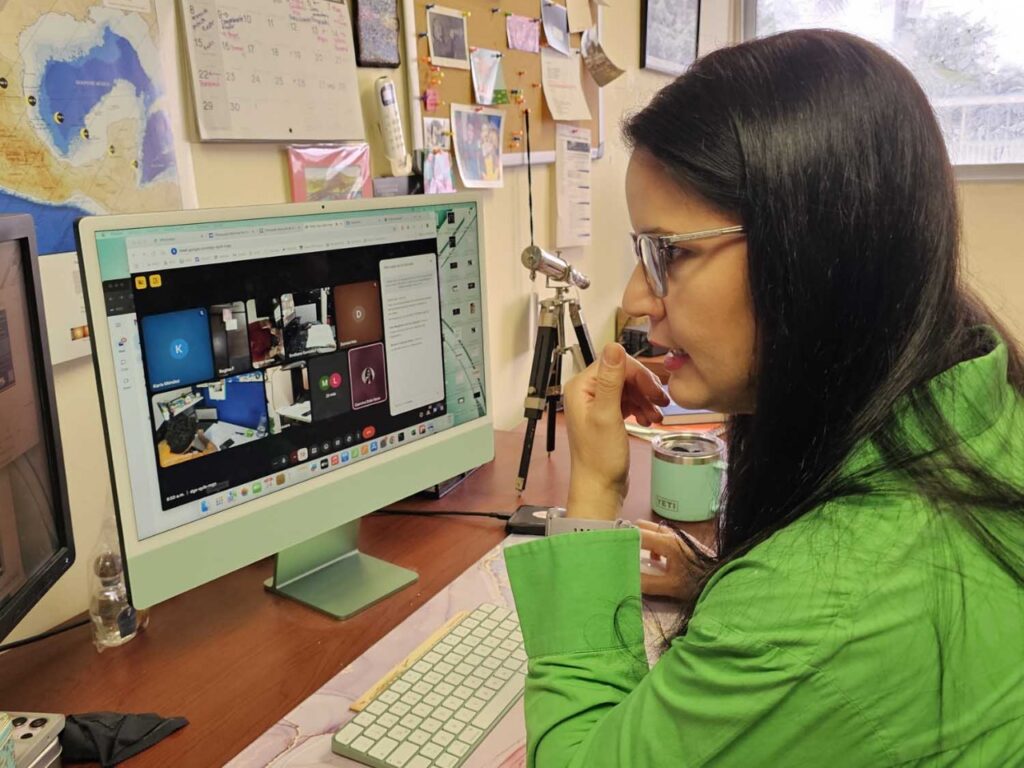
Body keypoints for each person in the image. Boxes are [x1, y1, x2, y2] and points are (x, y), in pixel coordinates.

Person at [505, 29, 1024, 766]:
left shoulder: (819, 608)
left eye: (670, 252)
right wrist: (716, 577)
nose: (636, 300)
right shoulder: (976, 389)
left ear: (813, 253)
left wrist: (593, 489)